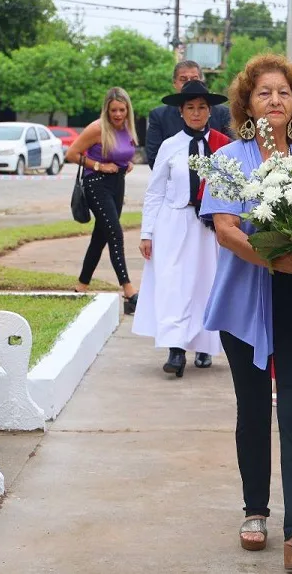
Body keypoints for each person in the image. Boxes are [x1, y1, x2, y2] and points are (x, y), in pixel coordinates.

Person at [200, 54, 292, 570]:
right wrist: (278, 259)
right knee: (253, 407)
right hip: (245, 300)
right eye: (264, 93)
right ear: (246, 103)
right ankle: (255, 510)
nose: (275, 101)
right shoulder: (229, 158)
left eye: (283, 93)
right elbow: (226, 229)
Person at [134, 80, 230, 377]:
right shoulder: (170, 146)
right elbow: (155, 191)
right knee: (174, 283)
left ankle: (204, 345)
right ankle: (176, 350)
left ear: (210, 111)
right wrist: (147, 232)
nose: (197, 113)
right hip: (174, 222)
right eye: (191, 108)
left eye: (202, 107)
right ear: (181, 111)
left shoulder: (222, 146)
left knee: (206, 283)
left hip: (209, 226)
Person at [66, 87, 141, 313]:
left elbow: (124, 152)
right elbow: (71, 154)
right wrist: (98, 165)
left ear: (128, 110)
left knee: (100, 238)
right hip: (96, 183)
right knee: (115, 233)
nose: (118, 115)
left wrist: (127, 163)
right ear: (106, 110)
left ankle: (81, 286)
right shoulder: (97, 128)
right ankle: (128, 289)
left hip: (117, 184)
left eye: (122, 110)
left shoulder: (128, 128)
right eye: (113, 111)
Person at [145, 61, 232, 167]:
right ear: (174, 83)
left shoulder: (222, 113)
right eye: (183, 79)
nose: (189, 83)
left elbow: (232, 152)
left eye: (194, 79)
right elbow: (154, 159)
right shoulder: (159, 116)